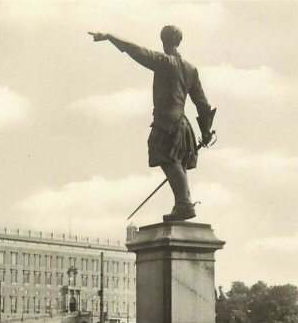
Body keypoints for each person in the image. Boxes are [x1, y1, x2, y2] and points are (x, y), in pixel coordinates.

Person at [90, 26, 215, 221]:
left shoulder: (165, 62)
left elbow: (136, 50)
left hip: (167, 122)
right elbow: (202, 103)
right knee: (175, 160)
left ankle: (184, 203)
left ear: (164, 41)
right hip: (182, 123)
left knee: (169, 158)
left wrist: (110, 37)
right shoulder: (191, 69)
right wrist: (206, 131)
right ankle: (183, 202)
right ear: (179, 41)